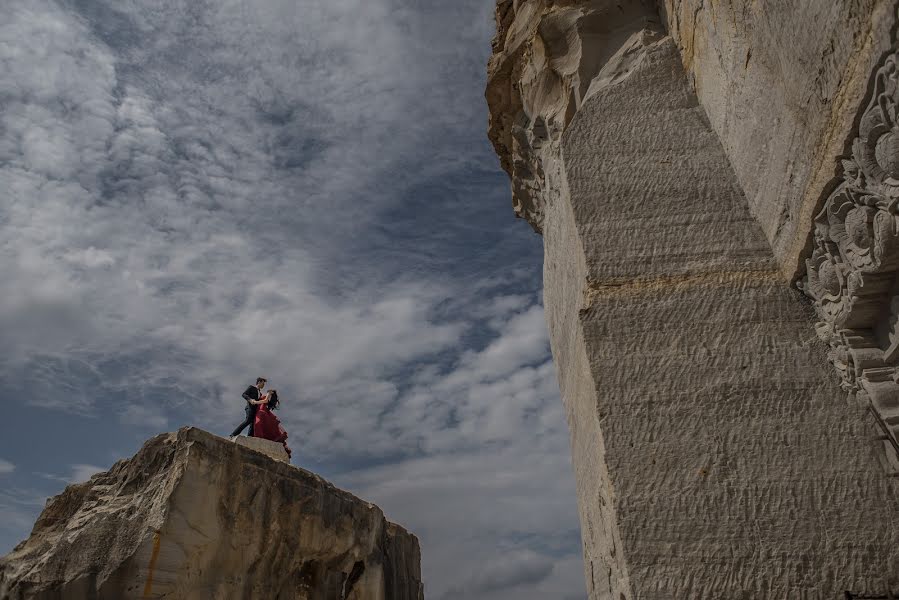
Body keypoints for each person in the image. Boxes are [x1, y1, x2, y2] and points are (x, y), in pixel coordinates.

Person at [253, 389, 292, 458]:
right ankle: (284, 448)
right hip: (264, 411)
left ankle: (259, 442)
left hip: (262, 411)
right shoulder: (268, 397)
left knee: (259, 426)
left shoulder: (268, 394)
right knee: (270, 430)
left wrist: (254, 401)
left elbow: (264, 401)